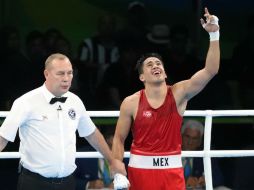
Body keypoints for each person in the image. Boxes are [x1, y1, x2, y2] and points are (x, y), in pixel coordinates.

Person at [112, 7, 220, 190]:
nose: (155, 65)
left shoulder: (179, 93)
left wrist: (214, 34)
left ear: (164, 71)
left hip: (171, 171)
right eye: (149, 64)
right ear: (142, 77)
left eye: (158, 63)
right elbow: (118, 139)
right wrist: (117, 172)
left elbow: (211, 70)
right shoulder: (130, 102)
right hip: (140, 171)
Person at [0, 53, 128, 190]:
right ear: (47, 74)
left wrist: (112, 160)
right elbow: (3, 137)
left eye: (70, 73)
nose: (66, 79)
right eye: (60, 74)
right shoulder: (26, 102)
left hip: (68, 182)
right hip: (34, 183)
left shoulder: (75, 101)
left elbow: (91, 134)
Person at [181, 120, 230, 190]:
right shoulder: (171, 152)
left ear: (199, 141)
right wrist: (184, 180)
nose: (190, 142)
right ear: (181, 136)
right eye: (187, 137)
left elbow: (219, 178)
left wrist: (205, 180)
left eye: (194, 138)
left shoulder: (206, 153)